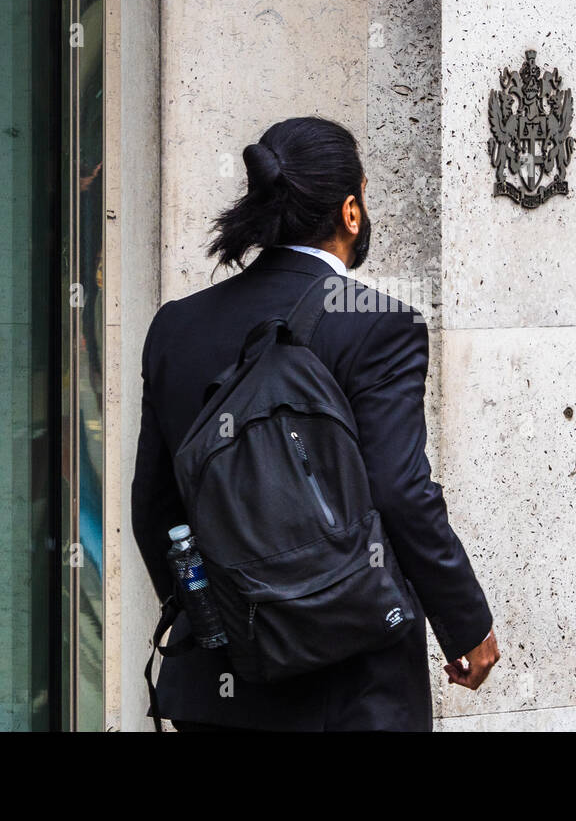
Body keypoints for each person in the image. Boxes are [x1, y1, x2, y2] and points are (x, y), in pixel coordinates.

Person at [131, 115, 498, 731]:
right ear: (351, 213)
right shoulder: (378, 324)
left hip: (218, 689)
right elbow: (400, 493)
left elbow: (155, 505)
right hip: (348, 688)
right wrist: (466, 623)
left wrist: (211, 616)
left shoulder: (177, 326)